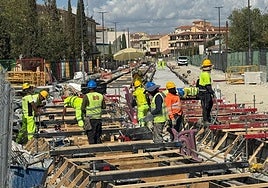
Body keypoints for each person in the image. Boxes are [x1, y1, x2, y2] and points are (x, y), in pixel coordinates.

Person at [81, 80, 106, 144]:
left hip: (90, 119)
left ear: (88, 88)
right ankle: (98, 150)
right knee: (97, 135)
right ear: (95, 87)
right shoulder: (100, 96)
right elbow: (104, 107)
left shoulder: (86, 96)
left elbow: (82, 108)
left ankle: (93, 149)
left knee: (91, 135)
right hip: (98, 118)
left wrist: (84, 114)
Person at [198, 59, 215, 125]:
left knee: (207, 105)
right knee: (206, 106)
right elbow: (208, 85)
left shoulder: (203, 73)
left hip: (203, 92)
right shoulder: (206, 75)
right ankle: (206, 119)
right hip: (205, 93)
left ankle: (207, 118)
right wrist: (212, 92)